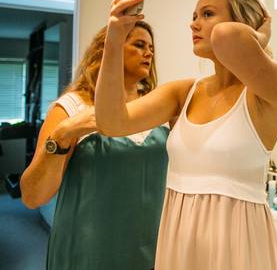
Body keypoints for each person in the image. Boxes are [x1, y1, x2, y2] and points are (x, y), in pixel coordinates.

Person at [94, 0, 277, 269]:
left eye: (207, 13)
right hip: (179, 236)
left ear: (242, 23)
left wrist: (261, 35)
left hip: (235, 243)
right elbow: (111, 122)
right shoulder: (184, 92)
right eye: (194, 14)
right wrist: (114, 37)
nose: (193, 23)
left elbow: (230, 37)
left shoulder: (270, 93)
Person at [20, 21, 168, 270]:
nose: (149, 53)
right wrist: (65, 133)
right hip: (88, 245)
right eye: (139, 45)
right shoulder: (72, 106)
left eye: (151, 47)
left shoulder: (158, 107)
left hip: (149, 244)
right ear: (108, 49)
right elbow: (33, 195)